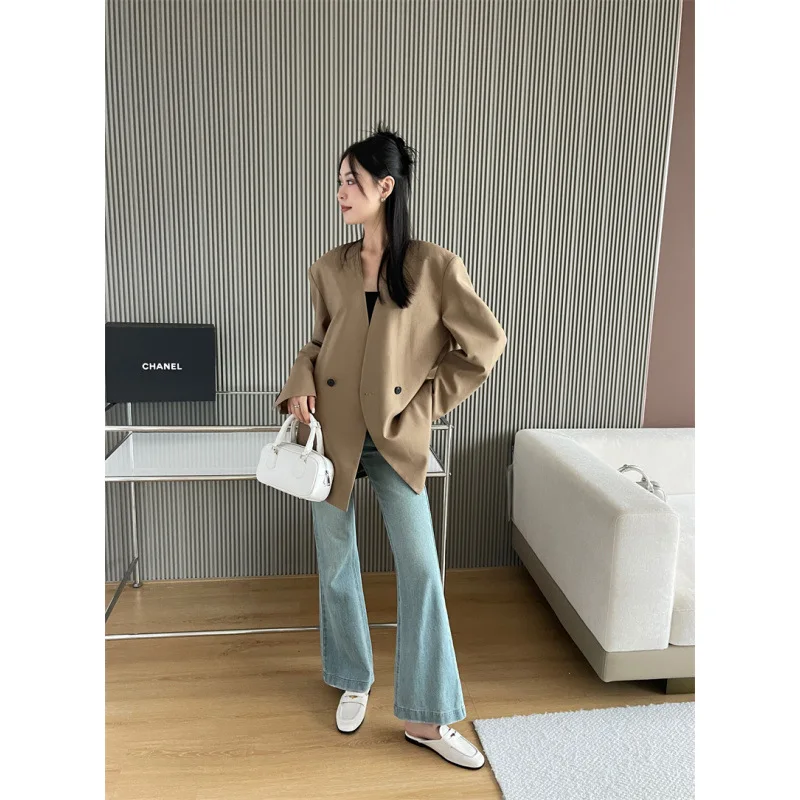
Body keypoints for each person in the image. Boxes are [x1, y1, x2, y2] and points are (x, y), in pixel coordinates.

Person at [275, 124, 506, 770]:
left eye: (351, 181)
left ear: (385, 186)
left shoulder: (432, 267)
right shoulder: (330, 267)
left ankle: (426, 718)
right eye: (338, 181)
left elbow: (483, 346)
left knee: (422, 571)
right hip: (332, 438)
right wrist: (298, 384)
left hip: (396, 438)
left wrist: (425, 404)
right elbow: (318, 344)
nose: (340, 192)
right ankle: (353, 678)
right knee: (337, 564)